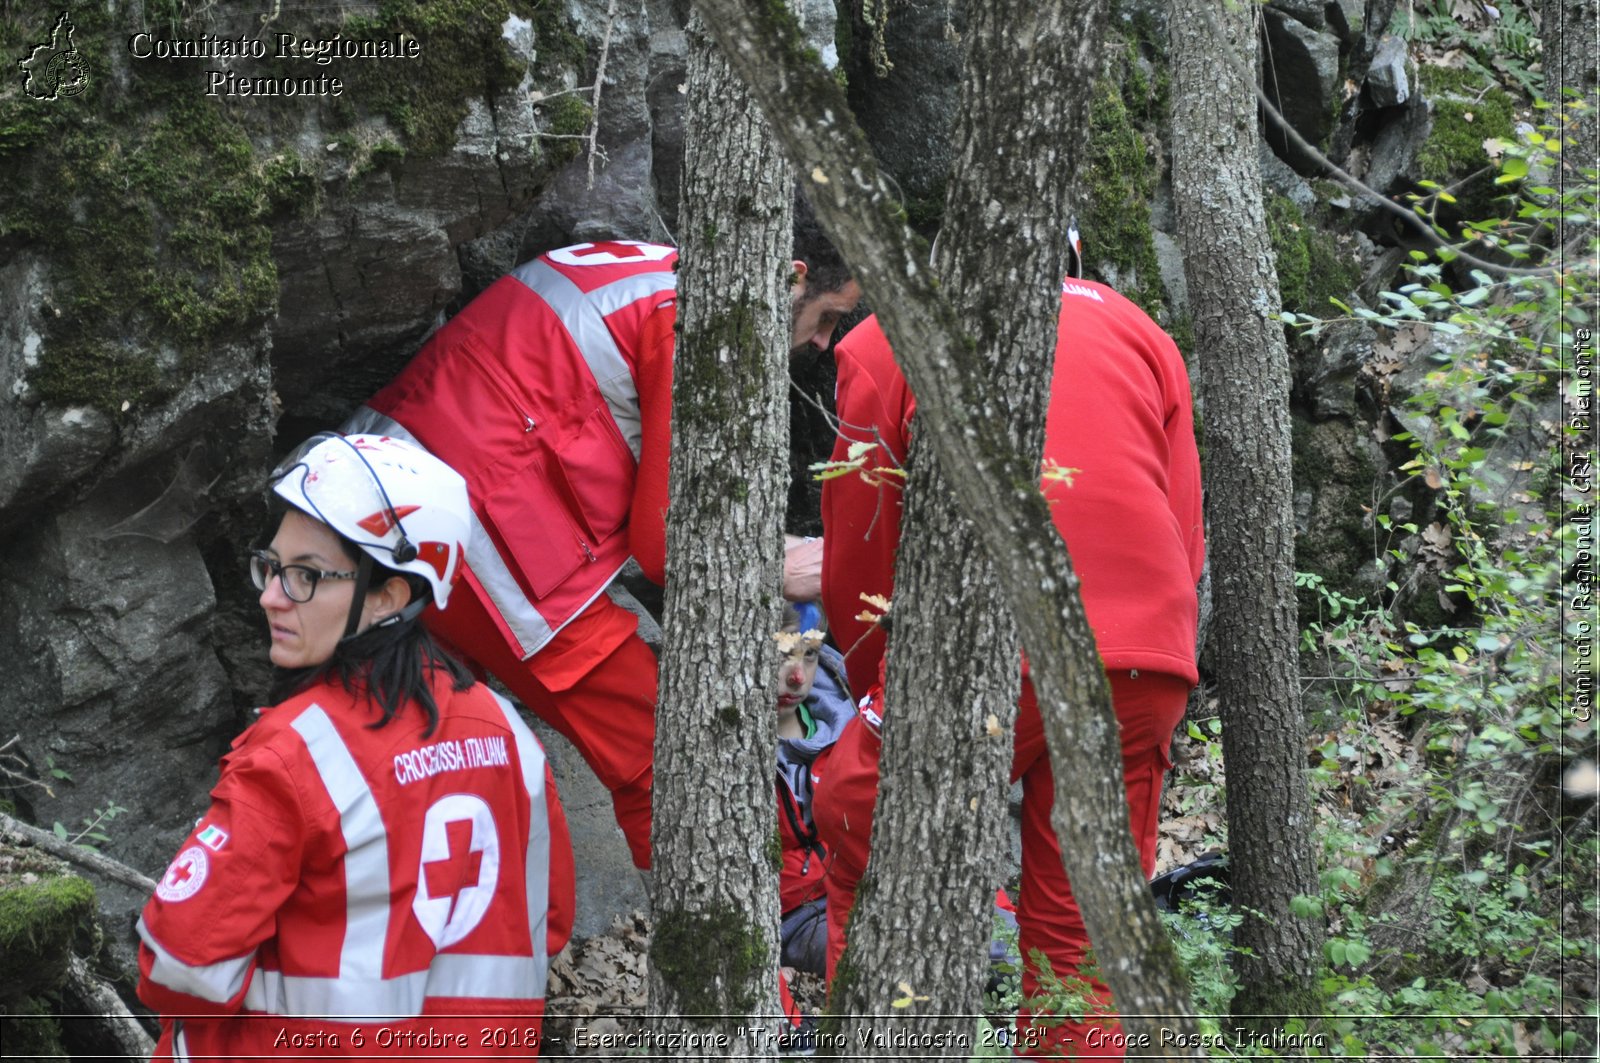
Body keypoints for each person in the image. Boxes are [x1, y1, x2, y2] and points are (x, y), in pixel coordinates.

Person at [343, 211, 859, 871]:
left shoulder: (646, 268)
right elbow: (668, 546)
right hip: (472, 531)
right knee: (677, 759)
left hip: (386, 492)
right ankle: (758, 945)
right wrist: (771, 565)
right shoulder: (701, 324)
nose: (824, 343)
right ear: (790, 278)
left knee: (401, 749)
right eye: (826, 318)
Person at [811, 238, 1205, 1057]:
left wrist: (870, 681)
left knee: (860, 835)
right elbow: (1185, 532)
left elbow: (860, 545)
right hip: (1144, 657)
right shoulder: (1141, 332)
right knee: (1084, 939)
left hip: (994, 644)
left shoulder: (886, 341)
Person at [137, 434, 574, 1059]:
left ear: (389, 597)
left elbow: (180, 966)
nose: (270, 596)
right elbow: (549, 922)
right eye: (272, 566)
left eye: (306, 577)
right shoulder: (512, 737)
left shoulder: (295, 754)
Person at [773, 601, 854, 976]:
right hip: (798, 917)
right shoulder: (725, 748)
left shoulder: (851, 725)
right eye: (783, 654)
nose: (797, 676)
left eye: (810, 656)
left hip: (859, 887)